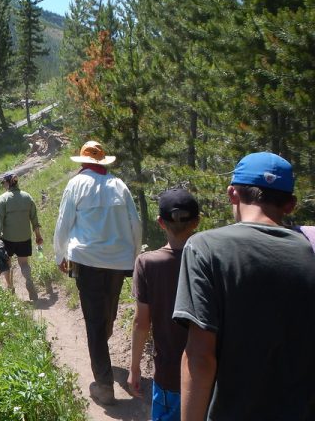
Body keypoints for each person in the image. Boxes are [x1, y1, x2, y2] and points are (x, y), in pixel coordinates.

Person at [174, 152, 315, 420]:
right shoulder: (310, 248)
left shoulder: (205, 248)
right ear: (290, 204)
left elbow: (200, 358)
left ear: (232, 194)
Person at [53, 140, 142, 405]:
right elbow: (135, 223)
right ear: (102, 162)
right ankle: (102, 357)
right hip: (117, 261)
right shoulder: (119, 185)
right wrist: (135, 256)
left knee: (94, 321)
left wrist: (61, 254)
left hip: (87, 260)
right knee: (107, 313)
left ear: (83, 162)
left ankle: (104, 384)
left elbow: (63, 222)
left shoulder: (76, 184)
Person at [128, 188, 199, 421]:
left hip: (169, 375)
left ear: (160, 222)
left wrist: (135, 368)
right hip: (207, 375)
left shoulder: (148, 263)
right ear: (196, 222)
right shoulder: (212, 260)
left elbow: (141, 323)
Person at [0, 172, 43, 301]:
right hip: (24, 237)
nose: (3, 184)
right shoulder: (27, 197)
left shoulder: (3, 199)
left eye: (3, 182)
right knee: (24, 263)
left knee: (7, 262)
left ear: (8, 183)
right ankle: (29, 281)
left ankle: (10, 288)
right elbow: (34, 218)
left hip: (8, 238)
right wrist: (38, 236)